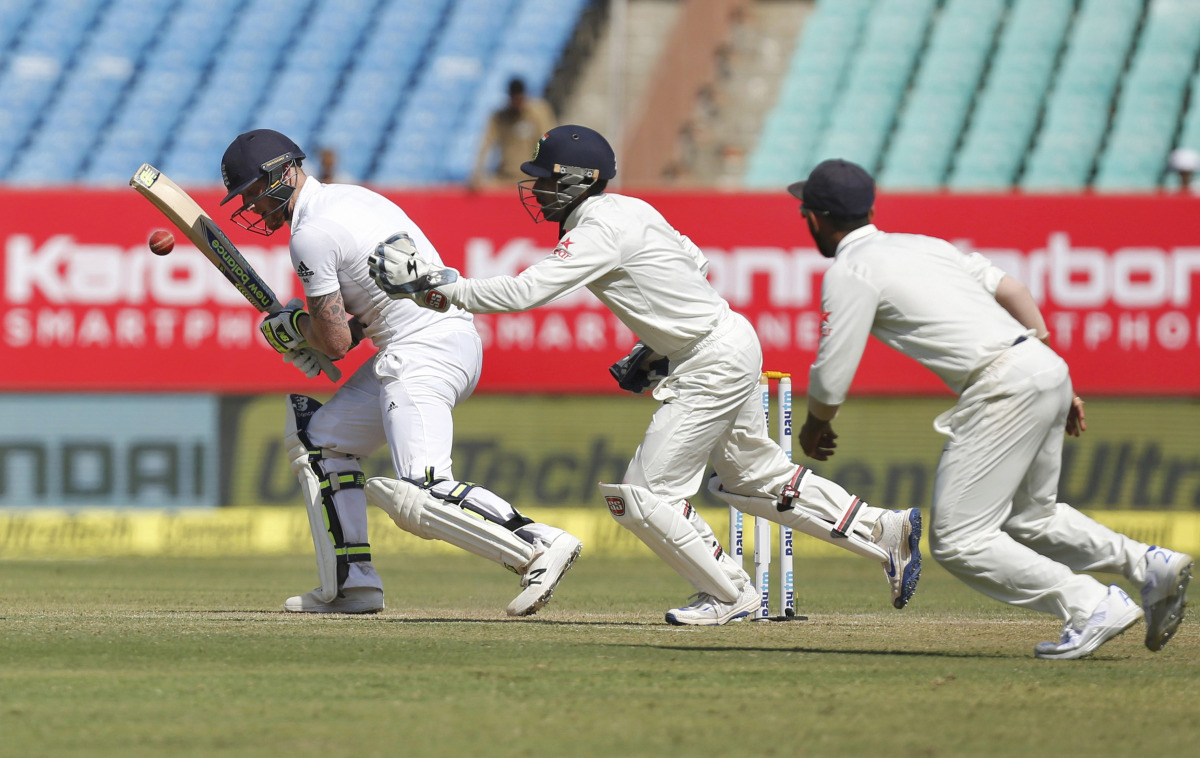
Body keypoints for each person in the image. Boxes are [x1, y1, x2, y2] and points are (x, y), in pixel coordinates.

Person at [368, 125, 922, 626]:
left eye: (545, 180)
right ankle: (883, 529)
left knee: (642, 493)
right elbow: (696, 262)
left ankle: (730, 594)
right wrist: (657, 346)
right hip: (726, 340)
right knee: (752, 477)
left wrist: (437, 287)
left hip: (710, 358)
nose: (536, 190)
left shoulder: (598, 227)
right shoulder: (630, 210)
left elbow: (524, 292)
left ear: (579, 180)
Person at [788, 158, 1194, 659]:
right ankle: (1148, 564)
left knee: (958, 539)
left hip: (1001, 384)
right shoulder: (924, 245)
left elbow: (832, 372)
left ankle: (1090, 604)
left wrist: (816, 423)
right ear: (870, 210)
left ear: (814, 218)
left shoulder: (850, 270)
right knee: (1032, 516)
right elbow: (1012, 289)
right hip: (1042, 364)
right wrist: (1048, 368)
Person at [219, 128, 582, 616]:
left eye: (253, 192)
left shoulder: (310, 235)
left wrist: (292, 329)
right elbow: (358, 321)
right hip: (440, 341)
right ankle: (351, 585)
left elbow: (334, 343)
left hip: (422, 351)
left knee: (421, 490)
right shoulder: (353, 198)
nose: (252, 206)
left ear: (283, 174)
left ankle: (539, 543)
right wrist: (306, 331)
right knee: (319, 441)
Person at [468, 77, 555, 190]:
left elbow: (550, 141)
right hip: (505, 177)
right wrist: (477, 172)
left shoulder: (538, 113)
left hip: (530, 178)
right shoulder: (500, 117)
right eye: (514, 99)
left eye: (519, 99)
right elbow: (486, 144)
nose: (517, 103)